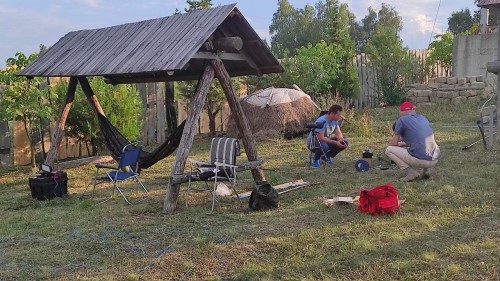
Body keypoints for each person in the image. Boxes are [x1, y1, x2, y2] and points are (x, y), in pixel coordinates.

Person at [385, 102, 440, 182]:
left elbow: (392, 144)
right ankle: (426, 171)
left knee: (389, 149)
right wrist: (404, 143)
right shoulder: (423, 118)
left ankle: (411, 173)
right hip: (435, 159)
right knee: (425, 146)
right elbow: (419, 139)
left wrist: (399, 144)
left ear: (402, 112)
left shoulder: (402, 120)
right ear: (413, 110)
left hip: (421, 161)